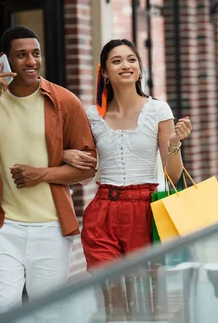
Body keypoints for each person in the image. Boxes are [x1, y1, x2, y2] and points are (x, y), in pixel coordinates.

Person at [0, 25, 96, 317]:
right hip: (4, 228)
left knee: (49, 313)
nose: (31, 61)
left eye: (35, 54)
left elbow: (87, 170)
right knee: (5, 310)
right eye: (21, 55)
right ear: (4, 60)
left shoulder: (64, 102)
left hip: (51, 227)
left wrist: (42, 173)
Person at [63, 39, 192, 320]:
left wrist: (174, 143)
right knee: (114, 305)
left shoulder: (158, 111)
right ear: (104, 72)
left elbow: (173, 174)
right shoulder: (91, 116)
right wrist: (67, 154)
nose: (126, 65)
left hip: (145, 212)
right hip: (103, 213)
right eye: (117, 60)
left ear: (139, 68)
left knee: (144, 304)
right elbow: (84, 165)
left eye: (132, 59)